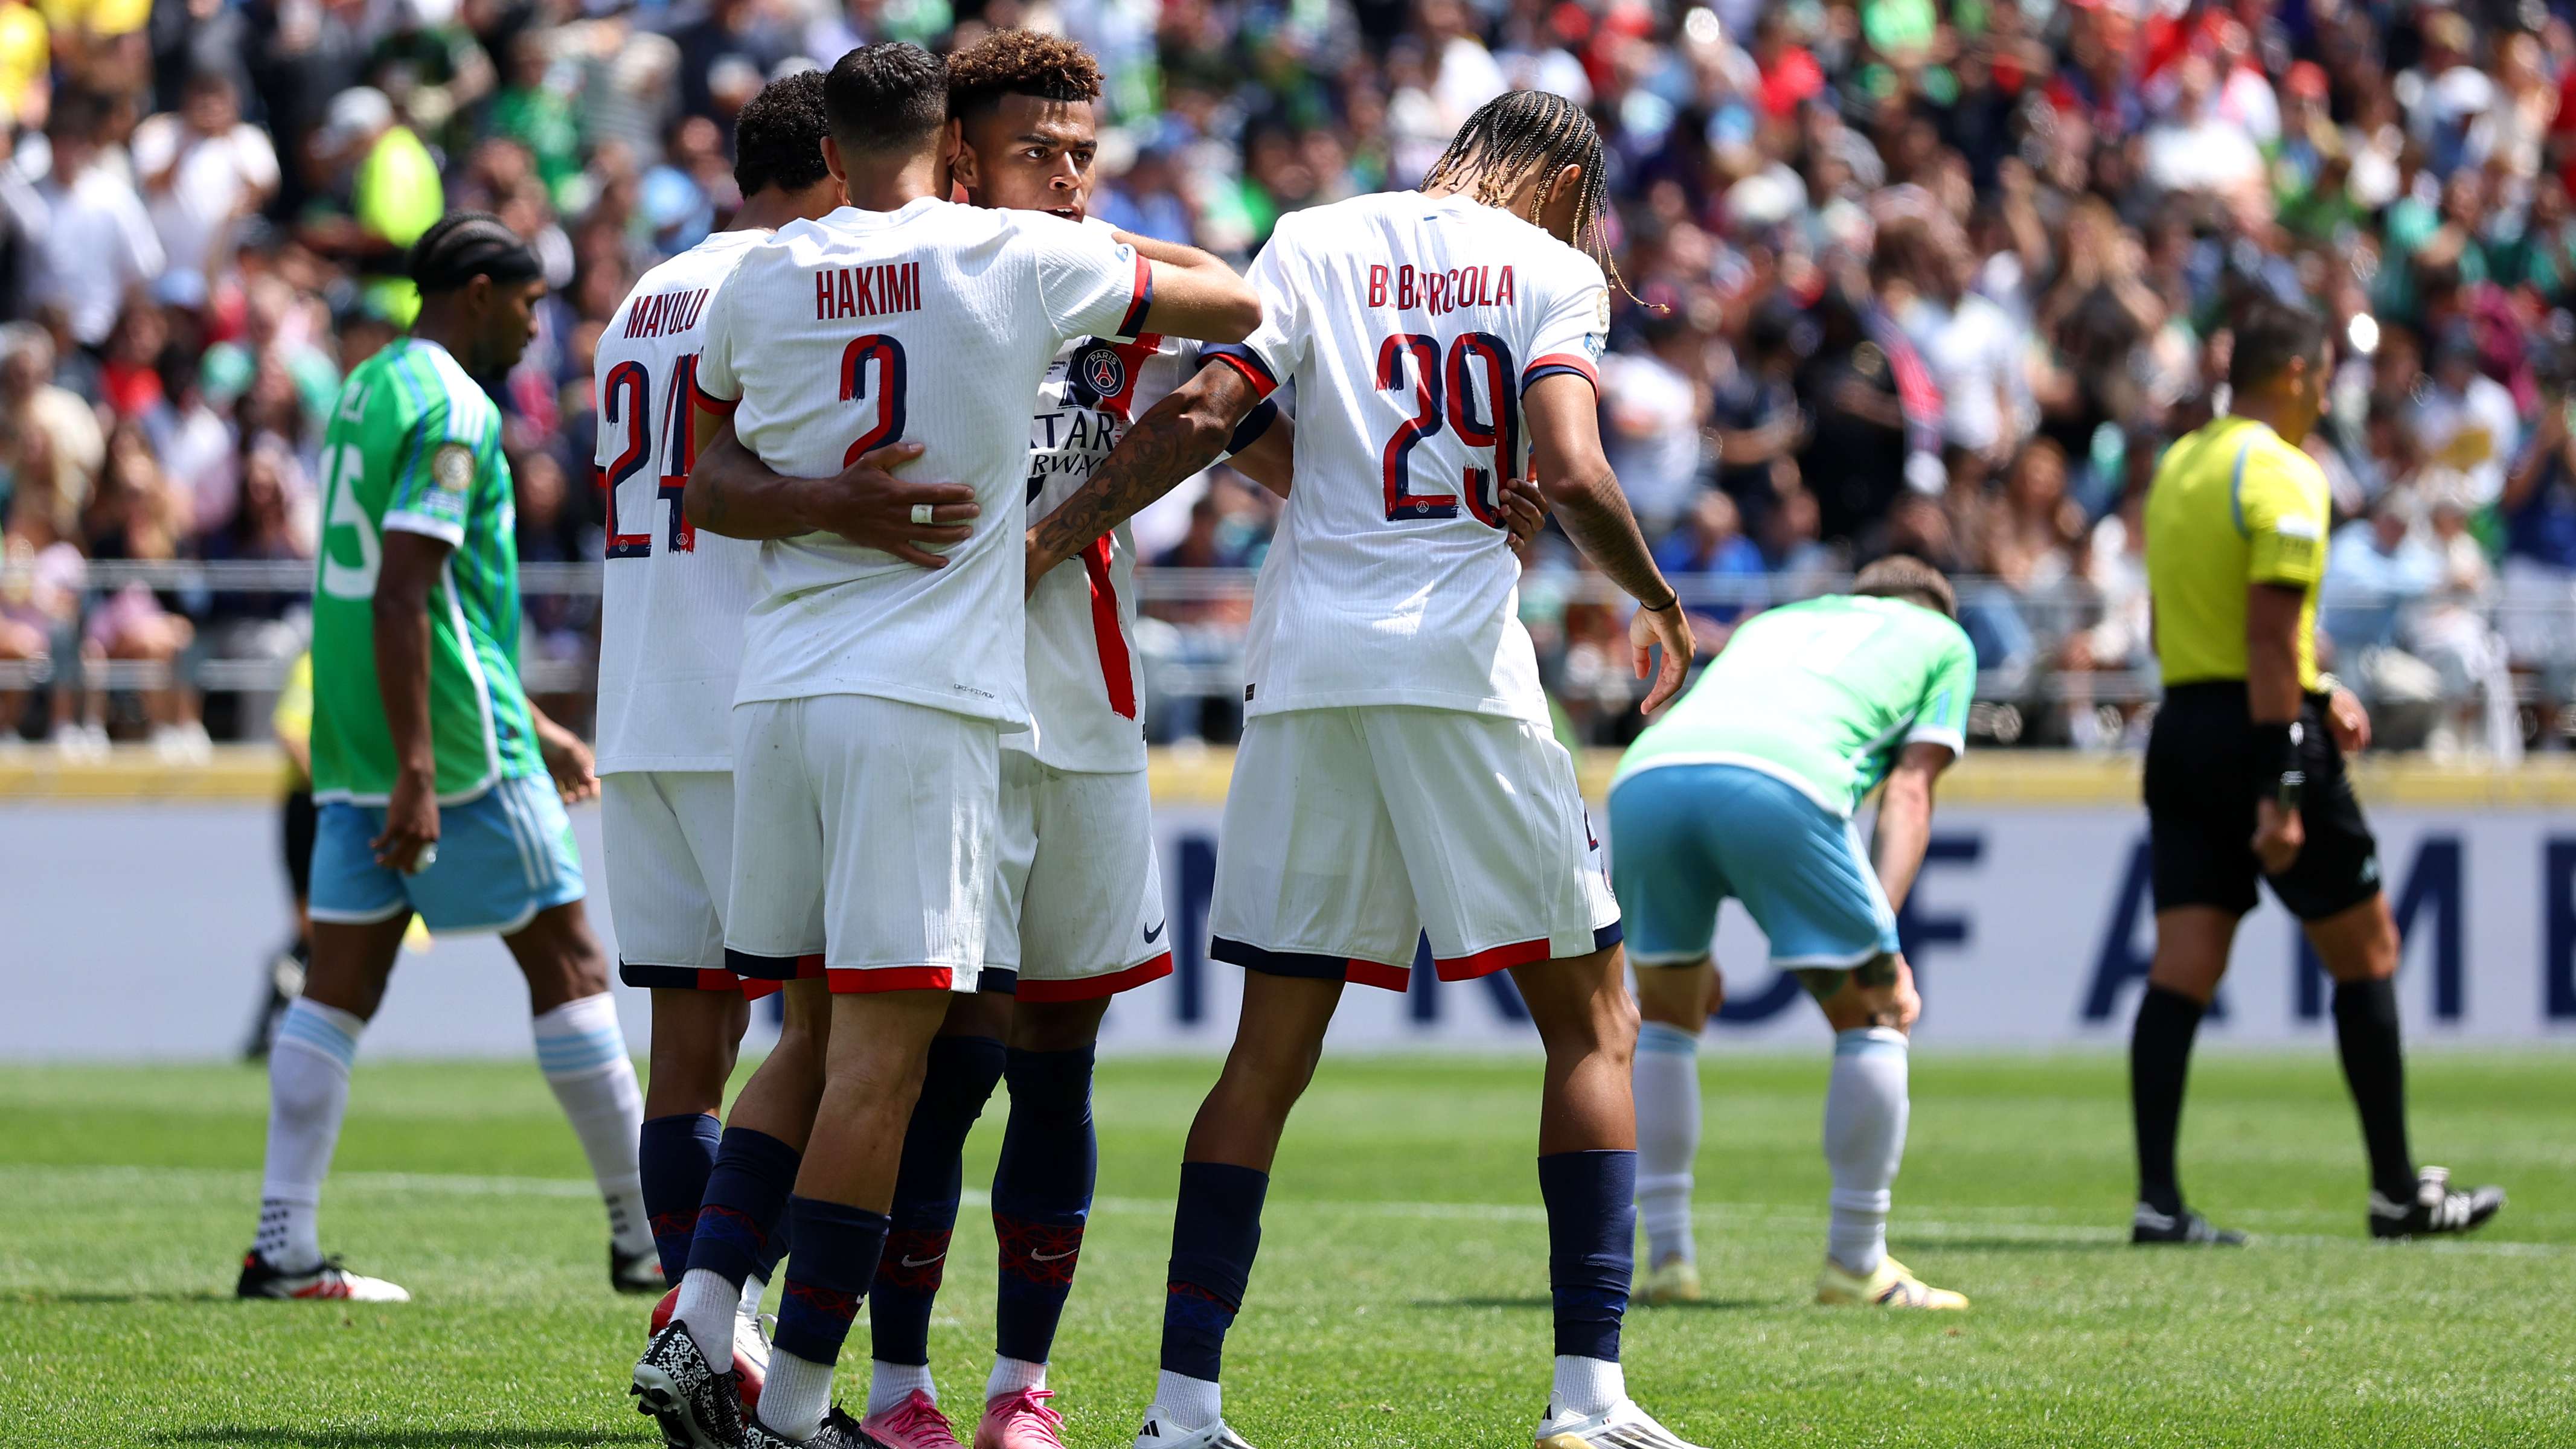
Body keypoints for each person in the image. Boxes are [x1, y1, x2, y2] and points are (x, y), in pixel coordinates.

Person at [1019, 89, 1699, 1449]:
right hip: (1456, 668)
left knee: (1267, 1052)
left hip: (1310, 667)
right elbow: (1569, 470)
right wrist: (1661, 602)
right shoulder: (1553, 271)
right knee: (1595, 1024)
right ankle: (1589, 1400)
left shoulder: (1316, 237)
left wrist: (1048, 538)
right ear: (1562, 184)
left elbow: (1215, 409)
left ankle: (1182, 1408)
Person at [629, 43, 1258, 1449]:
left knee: (1041, 1048)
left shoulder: (855, 271)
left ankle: (996, 1381)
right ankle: (861, 1384)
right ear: (954, 153)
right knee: (908, 1058)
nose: (1072, 171)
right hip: (932, 704)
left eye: (1086, 147)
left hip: (1040, 705)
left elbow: (1243, 406)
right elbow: (1234, 290)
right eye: (1041, 145)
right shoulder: (997, 269)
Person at [235, 214, 654, 1303]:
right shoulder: (455, 410)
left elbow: (431, 597)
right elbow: (409, 591)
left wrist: (516, 720)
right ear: (476, 291)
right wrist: (428, 766)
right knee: (568, 959)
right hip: (454, 747)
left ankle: (282, 1243)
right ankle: (642, 1237)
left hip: (356, 738)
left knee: (339, 983)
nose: (535, 326)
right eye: (526, 305)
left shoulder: (370, 387)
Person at [2129, 298, 2505, 1246]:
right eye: (2325, 375)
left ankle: (2158, 1203)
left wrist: (2316, 679)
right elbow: (2263, 635)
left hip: (2182, 725)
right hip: (2263, 734)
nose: (2328, 393)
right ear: (2295, 375)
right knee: (2366, 951)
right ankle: (2393, 1192)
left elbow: (2178, 629)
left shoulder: (2180, 466)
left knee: (2181, 967)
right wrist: (2281, 779)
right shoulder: (2286, 474)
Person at [589, 68, 845, 1407]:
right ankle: (721, 1322)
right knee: (818, 1032)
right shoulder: (791, 289)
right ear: (835, 163)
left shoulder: (640, 300)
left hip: (641, 701)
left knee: (685, 1046)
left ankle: (695, 1335)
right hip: (757, 698)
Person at [1609, 556, 1975, 1313]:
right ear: (1935, 608)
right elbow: (1910, 791)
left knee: (1668, 1019)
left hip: (1649, 775)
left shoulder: (1780, 620)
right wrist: (1886, 944)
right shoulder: (1944, 640)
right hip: (1781, 781)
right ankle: (1856, 1264)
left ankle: (1669, 1261)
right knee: (1875, 1011)